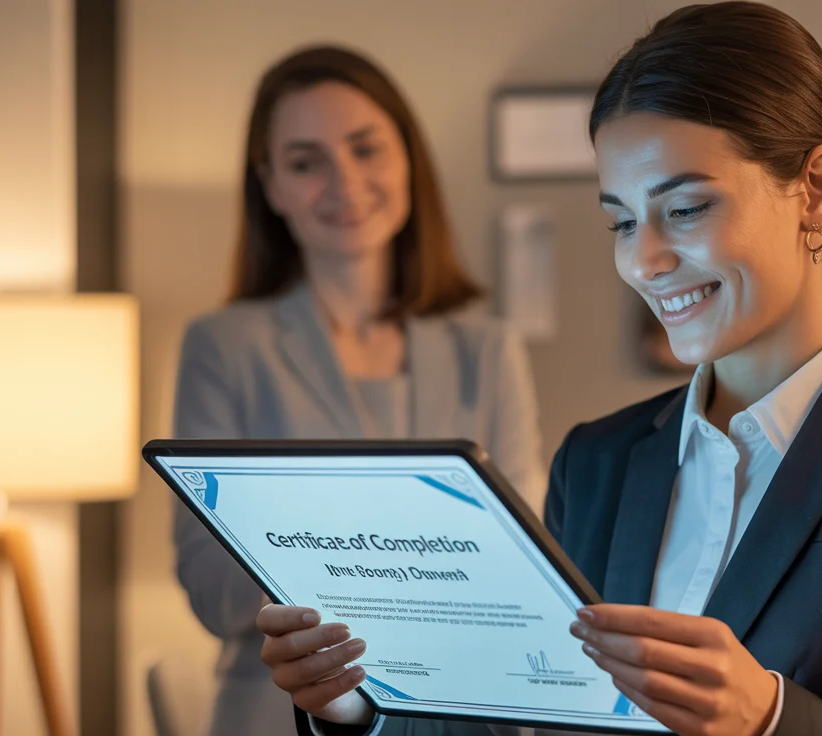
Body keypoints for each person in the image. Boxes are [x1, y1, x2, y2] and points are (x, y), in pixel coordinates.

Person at [254, 3, 822, 735]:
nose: (645, 260)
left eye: (687, 208)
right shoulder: (595, 464)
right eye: (623, 222)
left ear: (816, 188)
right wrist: (352, 704)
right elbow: (518, 717)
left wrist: (770, 720)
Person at [171, 45, 546, 736]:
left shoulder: (489, 348)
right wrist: (397, 560)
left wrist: (315, 547)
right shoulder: (223, 345)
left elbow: (521, 565)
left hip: (460, 716)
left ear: (407, 160)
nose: (344, 182)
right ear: (272, 186)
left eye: (365, 149)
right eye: (305, 162)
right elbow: (210, 592)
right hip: (273, 717)